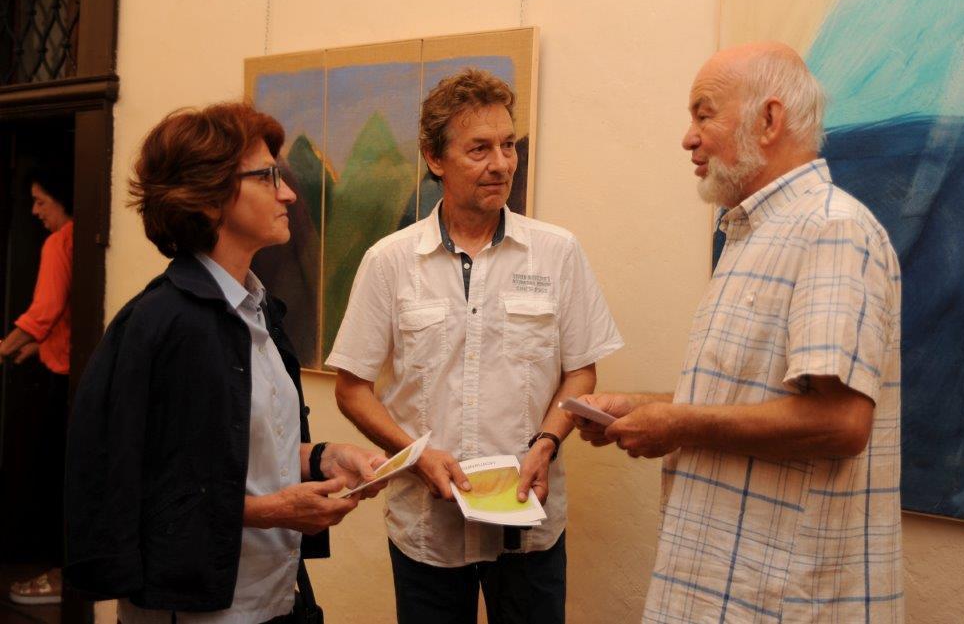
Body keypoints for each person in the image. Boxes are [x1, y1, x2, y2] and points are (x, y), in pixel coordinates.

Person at [574, 43, 903, 622]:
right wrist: (643, 409)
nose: (688, 138)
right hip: (722, 589)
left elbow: (841, 422)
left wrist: (676, 424)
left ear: (769, 120)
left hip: (781, 600)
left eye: (704, 115)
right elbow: (749, 398)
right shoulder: (751, 234)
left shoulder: (832, 230)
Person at [65, 102, 386, 623]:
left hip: (275, 596)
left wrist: (327, 457)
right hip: (195, 606)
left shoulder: (259, 312)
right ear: (209, 198)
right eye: (268, 177)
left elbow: (242, 448)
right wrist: (275, 510)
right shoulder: (160, 324)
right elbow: (133, 490)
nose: (288, 193)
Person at [328, 68, 623, 624]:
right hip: (427, 530)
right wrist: (416, 457)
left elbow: (580, 372)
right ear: (435, 158)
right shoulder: (389, 261)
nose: (502, 163)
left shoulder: (557, 252)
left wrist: (547, 443)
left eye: (508, 145)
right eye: (480, 149)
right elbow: (352, 388)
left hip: (528, 525)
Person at [1, 167, 73, 605]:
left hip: (61, 384)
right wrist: (30, 347)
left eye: (41, 201)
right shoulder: (77, 239)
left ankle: (58, 574)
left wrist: (4, 347)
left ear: (61, 200)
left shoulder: (59, 241)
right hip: (70, 374)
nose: (34, 210)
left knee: (50, 478)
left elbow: (43, 312)